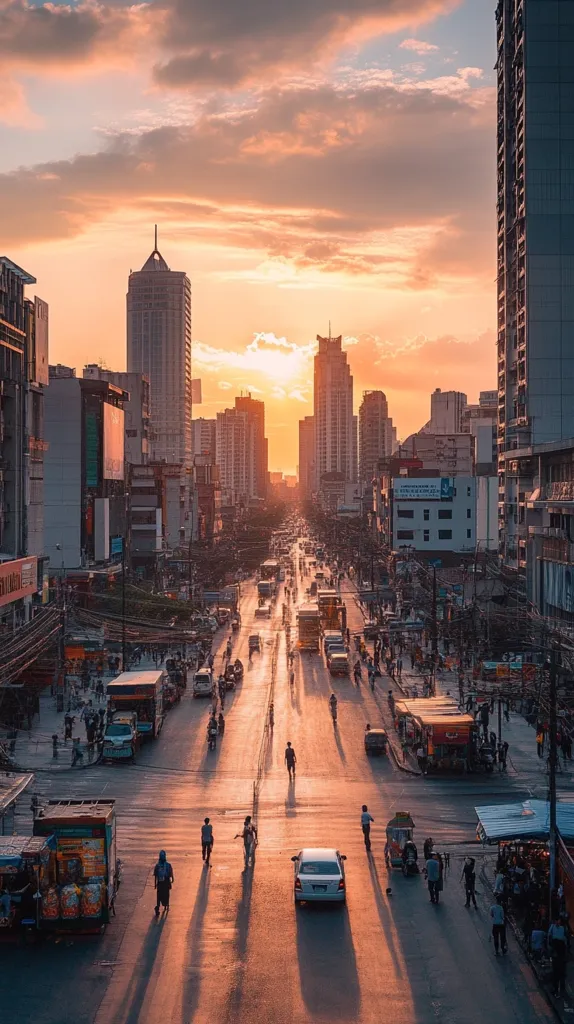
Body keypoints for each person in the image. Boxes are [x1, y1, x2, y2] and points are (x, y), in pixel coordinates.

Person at [549, 914, 568, 997]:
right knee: (556, 973)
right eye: (556, 920)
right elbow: (549, 936)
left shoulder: (563, 928)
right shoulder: (552, 927)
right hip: (556, 950)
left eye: (559, 920)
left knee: (561, 973)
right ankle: (556, 989)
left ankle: (561, 989)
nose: (557, 922)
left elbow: (566, 940)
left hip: (561, 951)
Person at [154, 850, 174, 915]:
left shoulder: (157, 866)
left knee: (159, 895)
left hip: (160, 882)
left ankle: (158, 906)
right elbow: (170, 874)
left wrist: (155, 884)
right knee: (166, 894)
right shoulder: (168, 865)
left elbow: (155, 875)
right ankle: (166, 904)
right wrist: (172, 879)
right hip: (166, 882)